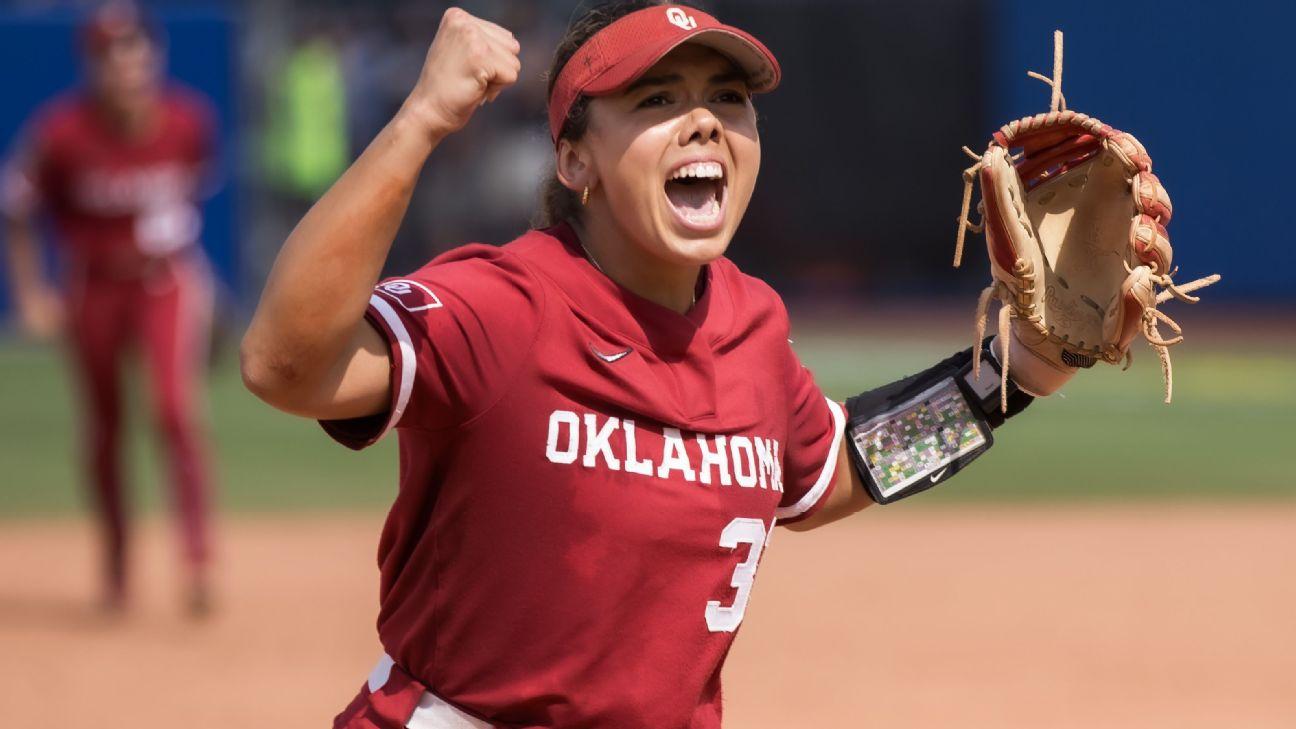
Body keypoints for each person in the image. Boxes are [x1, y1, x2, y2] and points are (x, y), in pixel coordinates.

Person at [241, 2, 1060, 726]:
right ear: (575, 162)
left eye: (727, 99)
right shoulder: (505, 305)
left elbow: (837, 465)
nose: (702, 121)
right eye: (656, 100)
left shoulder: (751, 324)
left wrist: (1016, 373)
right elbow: (285, 366)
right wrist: (420, 119)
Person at [2, 2, 219, 615]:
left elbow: (192, 197)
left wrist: (198, 274)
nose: (126, 69)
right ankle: (118, 564)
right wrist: (29, 292)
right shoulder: (61, 133)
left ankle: (198, 559)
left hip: (163, 282)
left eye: (135, 54)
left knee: (175, 413)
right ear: (91, 66)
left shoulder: (187, 121)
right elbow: (15, 207)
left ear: (154, 57)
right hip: (92, 288)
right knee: (105, 430)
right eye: (109, 58)